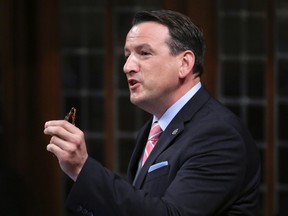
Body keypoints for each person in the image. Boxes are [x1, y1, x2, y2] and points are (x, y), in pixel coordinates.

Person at [44, 10, 261, 216]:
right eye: (127, 55)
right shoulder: (152, 128)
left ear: (184, 63)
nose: (127, 66)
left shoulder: (219, 135)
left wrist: (82, 168)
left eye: (144, 53)